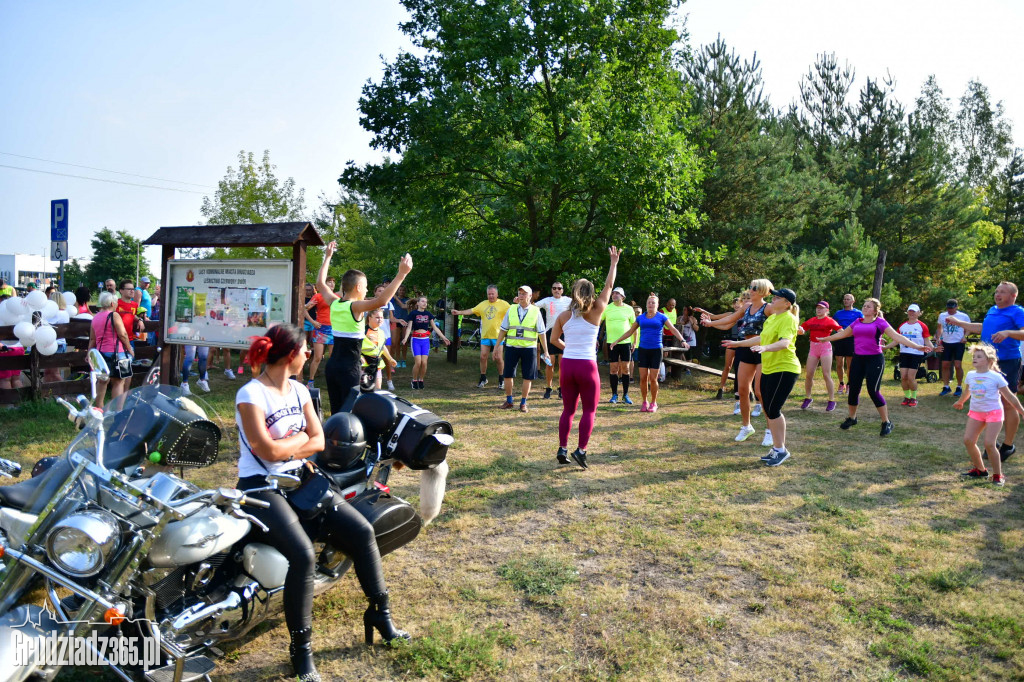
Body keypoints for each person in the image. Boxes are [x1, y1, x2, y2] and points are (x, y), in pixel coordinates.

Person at [234, 325, 408, 682]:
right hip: (260, 488)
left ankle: (381, 615)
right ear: (290, 354)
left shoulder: (299, 390)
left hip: (302, 480)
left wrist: (292, 445)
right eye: (306, 351)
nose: (310, 355)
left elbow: (319, 442)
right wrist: (298, 441)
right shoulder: (250, 395)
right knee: (302, 555)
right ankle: (301, 651)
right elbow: (265, 452)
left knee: (361, 531)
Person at [316, 241, 412, 414]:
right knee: (351, 412)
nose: (367, 288)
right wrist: (401, 275)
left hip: (332, 366)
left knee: (337, 412)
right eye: (366, 285)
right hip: (349, 369)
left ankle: (333, 439)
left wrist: (328, 257)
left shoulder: (334, 303)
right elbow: (381, 301)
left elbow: (320, 283)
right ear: (358, 287)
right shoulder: (356, 307)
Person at [547, 248, 620, 468]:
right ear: (591, 292)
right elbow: (609, 286)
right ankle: (581, 450)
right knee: (589, 410)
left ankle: (562, 448)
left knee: (568, 410)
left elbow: (553, 340)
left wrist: (568, 347)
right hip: (587, 366)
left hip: (568, 364)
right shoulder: (597, 309)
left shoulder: (563, 315)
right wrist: (613, 263)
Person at [818, 298, 925, 436]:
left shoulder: (880, 322)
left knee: (873, 391)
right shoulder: (857, 322)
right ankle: (852, 418)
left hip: (874, 360)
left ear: (875, 311)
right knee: (854, 390)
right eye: (864, 306)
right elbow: (843, 334)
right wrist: (826, 339)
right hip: (858, 359)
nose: (865, 308)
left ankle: (886, 422)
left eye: (868, 306)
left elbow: (898, 337)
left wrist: (918, 346)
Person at [945, 281, 1024, 460]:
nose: (998, 294)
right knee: (990, 401)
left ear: (1013, 296)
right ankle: (992, 443)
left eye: (1002, 292)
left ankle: (1008, 445)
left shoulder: (1017, 311)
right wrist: (959, 323)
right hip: (988, 363)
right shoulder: (992, 310)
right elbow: (983, 328)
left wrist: (1008, 333)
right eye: (997, 291)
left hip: (1008, 361)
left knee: (1008, 402)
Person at [724, 288, 801, 466]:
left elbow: (785, 342)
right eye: (773, 296)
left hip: (784, 369)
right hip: (769, 368)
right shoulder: (772, 318)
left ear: (787, 303)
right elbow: (760, 339)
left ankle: (781, 450)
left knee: (773, 409)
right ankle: (776, 448)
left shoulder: (788, 318)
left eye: (777, 297)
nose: (773, 299)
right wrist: (737, 343)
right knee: (768, 408)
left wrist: (766, 348)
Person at [700, 280, 773, 445]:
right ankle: (746, 426)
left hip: (762, 350)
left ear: (762, 291)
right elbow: (730, 319)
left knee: (760, 391)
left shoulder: (768, 308)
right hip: (744, 347)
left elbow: (781, 323)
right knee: (742, 389)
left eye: (755, 288)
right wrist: (710, 323)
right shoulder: (746, 308)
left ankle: (770, 430)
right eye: (751, 287)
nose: (751, 290)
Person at [953, 344, 1024, 486]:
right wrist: (961, 401)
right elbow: (968, 391)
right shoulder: (971, 375)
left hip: (994, 413)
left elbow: (1010, 397)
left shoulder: (996, 377)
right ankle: (980, 470)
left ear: (989, 361)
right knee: (968, 440)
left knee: (989, 444)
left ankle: (998, 475)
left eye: (979, 357)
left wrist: (1022, 411)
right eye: (974, 356)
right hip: (976, 413)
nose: (975, 358)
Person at [612, 293, 686, 412]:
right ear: (646, 305)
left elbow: (673, 329)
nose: (650, 304)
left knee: (653, 379)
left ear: (657, 305)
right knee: (643, 378)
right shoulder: (641, 318)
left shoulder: (662, 317)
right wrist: (617, 341)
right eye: (649, 303)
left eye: (653, 303)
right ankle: (644, 401)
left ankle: (653, 402)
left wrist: (682, 340)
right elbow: (630, 332)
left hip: (656, 350)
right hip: (643, 350)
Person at [495, 286, 550, 412]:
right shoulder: (512, 309)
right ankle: (509, 401)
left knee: (528, 376)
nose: (521, 296)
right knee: (507, 374)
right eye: (519, 293)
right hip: (512, 347)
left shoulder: (536, 311)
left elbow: (542, 333)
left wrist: (546, 351)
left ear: (530, 296)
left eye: (524, 294)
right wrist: (497, 345)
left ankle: (523, 403)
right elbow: (503, 329)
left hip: (529, 348)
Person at [451, 286, 511, 389]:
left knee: (498, 358)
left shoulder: (504, 304)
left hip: (498, 336)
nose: (491, 296)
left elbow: (513, 312)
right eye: (489, 294)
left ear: (497, 294)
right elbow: (472, 310)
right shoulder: (483, 304)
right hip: (485, 335)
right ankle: (483, 378)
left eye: (492, 294)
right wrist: (459, 312)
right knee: (483, 357)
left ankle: (502, 379)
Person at [694, 293, 749, 403]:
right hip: (732, 342)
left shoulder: (750, 314)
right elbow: (717, 319)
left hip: (746, 343)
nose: (736, 306)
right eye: (735, 305)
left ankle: (749, 392)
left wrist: (710, 323)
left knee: (744, 369)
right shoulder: (733, 314)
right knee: (727, 367)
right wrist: (705, 315)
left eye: (738, 304)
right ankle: (720, 388)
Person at [87, 291, 134, 409]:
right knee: (119, 382)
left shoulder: (95, 317)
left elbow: (92, 339)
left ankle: (99, 409)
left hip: (100, 354)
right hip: (117, 353)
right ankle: (117, 410)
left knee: (102, 382)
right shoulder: (114, 315)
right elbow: (123, 334)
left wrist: (89, 354)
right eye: (116, 302)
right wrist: (129, 348)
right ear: (112, 303)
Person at [885, 304, 934, 407]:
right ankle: (907, 397)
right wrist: (885, 347)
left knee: (911, 377)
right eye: (910, 311)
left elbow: (926, 340)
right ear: (907, 312)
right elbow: (896, 340)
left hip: (916, 354)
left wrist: (934, 349)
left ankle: (914, 398)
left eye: (914, 311)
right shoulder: (903, 326)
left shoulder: (922, 326)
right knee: (903, 377)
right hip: (904, 353)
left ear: (918, 313)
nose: (911, 313)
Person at [798, 301, 842, 411]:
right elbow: (801, 330)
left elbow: (841, 332)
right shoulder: (812, 320)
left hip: (825, 347)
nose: (818, 310)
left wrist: (828, 338)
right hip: (813, 347)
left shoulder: (830, 321)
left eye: (821, 308)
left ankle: (831, 400)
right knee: (809, 374)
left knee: (826, 374)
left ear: (827, 310)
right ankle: (808, 397)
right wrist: (800, 330)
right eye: (817, 307)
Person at [402, 296, 451, 389]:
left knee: (424, 363)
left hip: (425, 340)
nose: (425, 303)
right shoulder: (413, 313)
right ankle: (414, 380)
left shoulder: (428, 314)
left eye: (426, 302)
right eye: (423, 301)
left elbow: (435, 328)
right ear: (418, 303)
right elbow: (409, 327)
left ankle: (421, 380)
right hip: (416, 340)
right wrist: (405, 338)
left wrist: (444, 338)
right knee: (418, 362)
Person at [536, 282, 572, 399]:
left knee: (562, 363)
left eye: (559, 288)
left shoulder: (568, 300)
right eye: (554, 288)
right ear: (551, 290)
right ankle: (549, 387)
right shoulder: (547, 300)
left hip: (563, 333)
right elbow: (533, 306)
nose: (557, 290)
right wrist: (519, 301)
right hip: (550, 333)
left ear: (562, 290)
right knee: (550, 362)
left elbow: (581, 305)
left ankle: (562, 388)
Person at [600, 286, 636, 404]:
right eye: (613, 293)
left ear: (623, 297)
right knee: (613, 369)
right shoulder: (607, 308)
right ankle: (614, 395)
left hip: (626, 343)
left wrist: (635, 342)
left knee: (625, 369)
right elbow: (598, 322)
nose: (614, 295)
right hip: (611, 343)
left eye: (617, 293)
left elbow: (634, 327)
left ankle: (625, 395)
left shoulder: (629, 309)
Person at [304, 275, 336, 388]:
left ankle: (332, 380)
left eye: (333, 282)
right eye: (329, 282)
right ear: (324, 284)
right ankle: (310, 381)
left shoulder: (337, 296)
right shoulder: (318, 296)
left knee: (333, 357)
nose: (332, 284)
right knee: (317, 357)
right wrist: (313, 322)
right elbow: (304, 310)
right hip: (320, 329)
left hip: (333, 330)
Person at [937, 298, 970, 396]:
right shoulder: (942, 315)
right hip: (946, 343)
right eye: (948, 308)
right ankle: (946, 386)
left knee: (958, 365)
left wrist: (965, 336)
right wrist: (938, 337)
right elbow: (939, 328)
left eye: (952, 308)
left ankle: (959, 387)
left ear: (956, 307)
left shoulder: (963, 316)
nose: (950, 310)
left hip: (958, 342)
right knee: (945, 365)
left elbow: (968, 328)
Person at [362, 309, 398, 390]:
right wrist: (360, 358)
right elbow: (355, 347)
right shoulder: (363, 331)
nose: (380, 319)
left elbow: (382, 347)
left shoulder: (381, 332)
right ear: (369, 318)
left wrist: (390, 358)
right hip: (364, 367)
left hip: (377, 365)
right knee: (365, 391)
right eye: (377, 317)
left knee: (377, 391)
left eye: (381, 317)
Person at [833, 293, 860, 395]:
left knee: (850, 365)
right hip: (840, 339)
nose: (846, 301)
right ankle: (841, 383)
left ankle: (849, 384)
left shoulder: (858, 313)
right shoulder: (838, 313)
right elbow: (832, 324)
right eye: (844, 299)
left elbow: (864, 324)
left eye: (848, 299)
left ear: (853, 301)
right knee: (839, 364)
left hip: (851, 340)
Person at [134, 276, 153, 342]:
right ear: (140, 282)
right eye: (145, 283)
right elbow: (136, 306)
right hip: (142, 318)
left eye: (148, 283)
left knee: (146, 339)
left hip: (147, 317)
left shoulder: (145, 291)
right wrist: (141, 317)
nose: (147, 284)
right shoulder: (138, 291)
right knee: (141, 340)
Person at [302, 282, 316, 346]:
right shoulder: (301, 299)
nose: (307, 291)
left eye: (309, 290)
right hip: (304, 321)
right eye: (306, 290)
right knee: (304, 339)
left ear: (312, 290)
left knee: (312, 340)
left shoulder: (314, 298)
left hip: (314, 321)